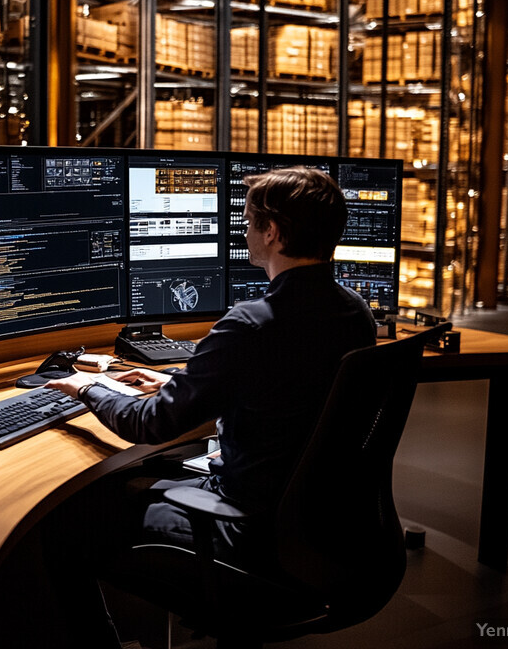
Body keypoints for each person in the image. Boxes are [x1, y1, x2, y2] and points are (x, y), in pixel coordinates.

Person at [42, 166, 376, 645]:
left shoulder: (251, 325)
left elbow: (151, 424)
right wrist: (176, 380)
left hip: (249, 530)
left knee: (68, 524)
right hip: (321, 527)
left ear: (273, 232)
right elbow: (287, 389)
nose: (243, 230)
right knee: (142, 480)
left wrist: (85, 388)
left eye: (247, 220)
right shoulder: (354, 310)